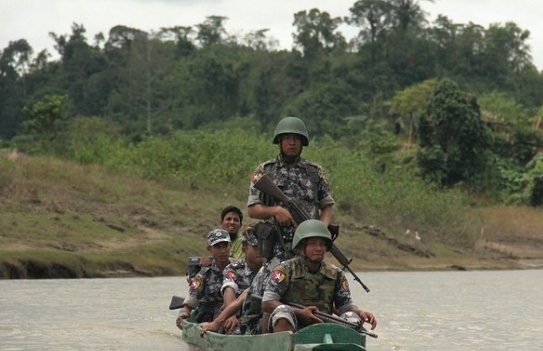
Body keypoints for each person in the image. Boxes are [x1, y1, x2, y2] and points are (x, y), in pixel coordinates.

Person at [261, 219, 377, 333]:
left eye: (322, 244)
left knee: (352, 318)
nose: (318, 248)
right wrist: (299, 312)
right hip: (293, 324)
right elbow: (267, 303)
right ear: (302, 247)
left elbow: (345, 307)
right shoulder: (285, 269)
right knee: (283, 312)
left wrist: (360, 313)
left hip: (323, 327)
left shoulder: (336, 273)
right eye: (312, 243)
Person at [247, 117, 335, 263]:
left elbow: (327, 208)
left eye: (296, 139)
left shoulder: (315, 172)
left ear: (302, 143)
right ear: (279, 142)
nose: (292, 143)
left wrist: (318, 230)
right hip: (275, 247)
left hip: (307, 247)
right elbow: (252, 210)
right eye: (287, 138)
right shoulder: (264, 171)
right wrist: (276, 211)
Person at [176, 229, 232, 329]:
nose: (222, 251)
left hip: (233, 319)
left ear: (230, 246)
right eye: (217, 247)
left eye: (225, 246)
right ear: (209, 249)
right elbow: (189, 304)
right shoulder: (203, 275)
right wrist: (182, 316)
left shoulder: (240, 269)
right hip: (208, 323)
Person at [219, 227, 264, 333]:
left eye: (262, 246)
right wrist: (231, 315)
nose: (260, 251)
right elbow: (229, 288)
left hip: (261, 316)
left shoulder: (270, 269)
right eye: (255, 247)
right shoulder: (234, 268)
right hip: (239, 317)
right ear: (244, 249)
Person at [185, 206, 244, 282]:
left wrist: (212, 261)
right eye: (228, 219)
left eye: (235, 220)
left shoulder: (245, 243)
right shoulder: (212, 238)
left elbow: (245, 264)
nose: (232, 222)